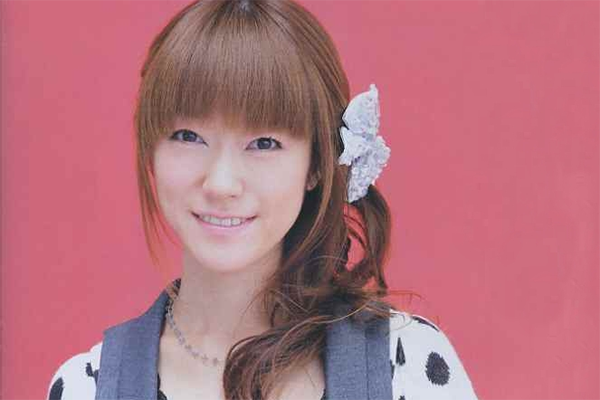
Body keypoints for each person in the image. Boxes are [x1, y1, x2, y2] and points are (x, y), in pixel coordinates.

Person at [46, 0, 479, 399]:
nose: (221, 183)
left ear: (317, 164)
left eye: (264, 143)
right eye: (188, 136)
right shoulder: (88, 386)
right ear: (150, 152)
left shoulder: (407, 366)